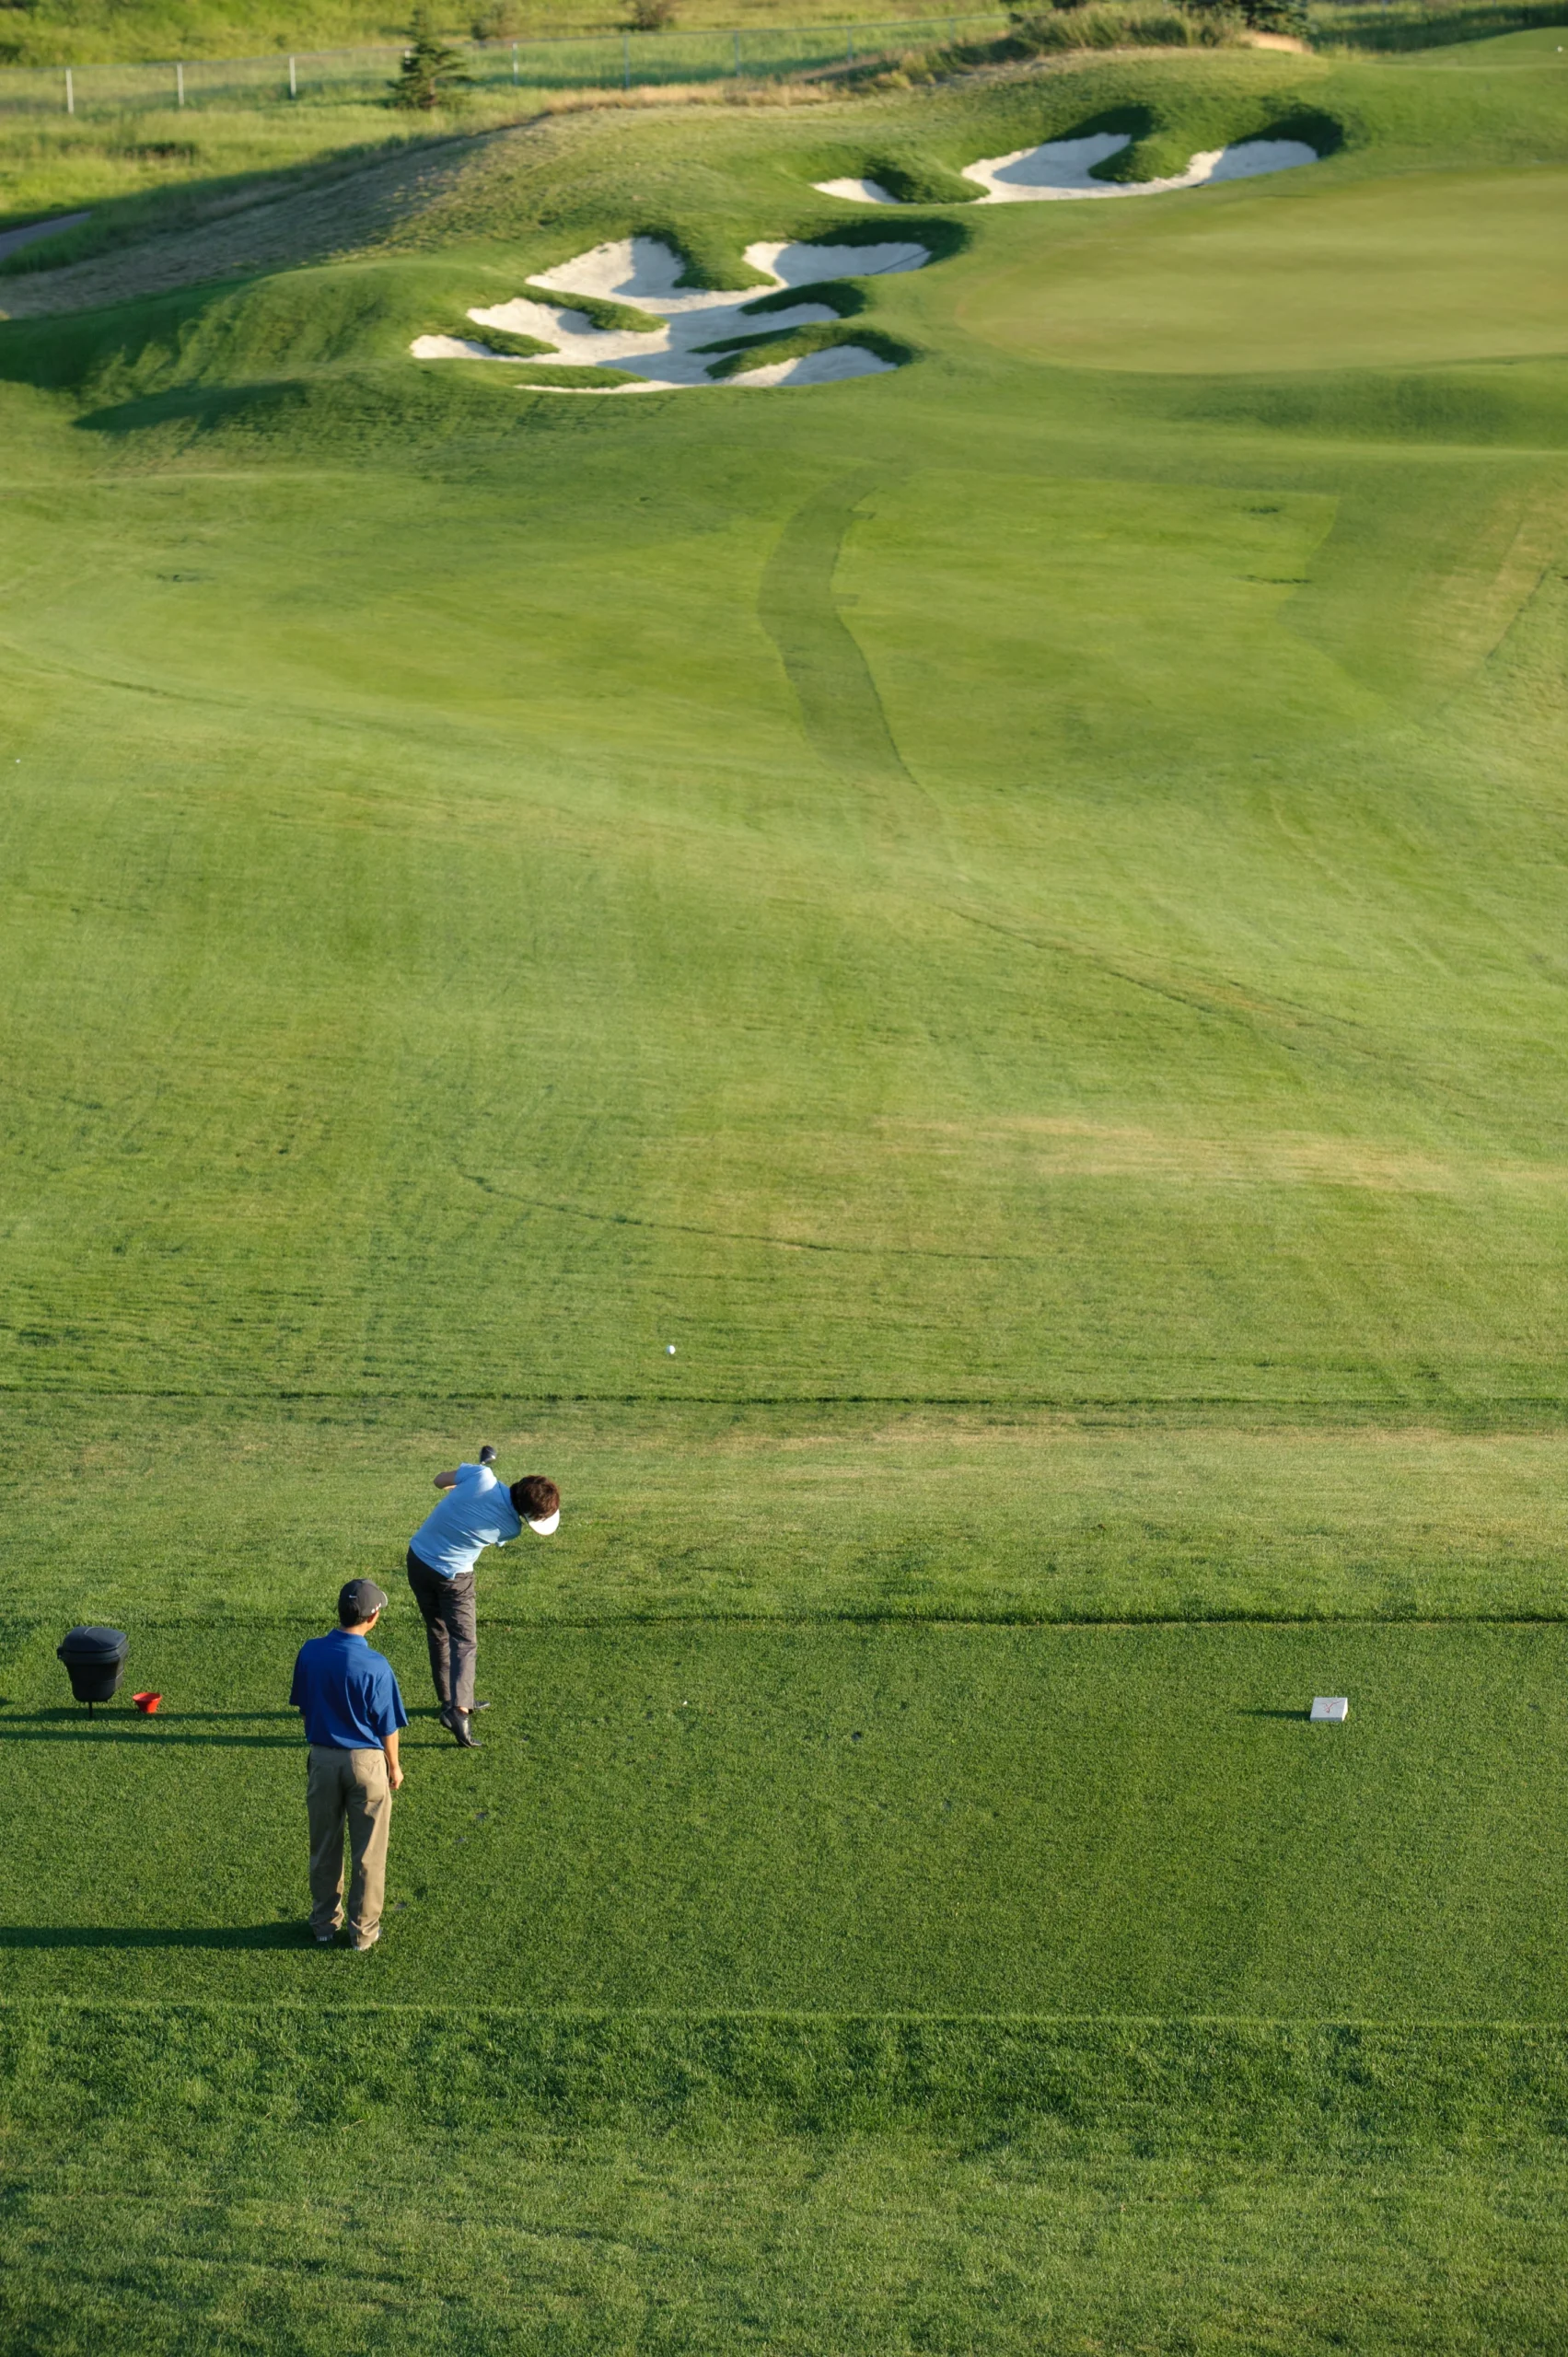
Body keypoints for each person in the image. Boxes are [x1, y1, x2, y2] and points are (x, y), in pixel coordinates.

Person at [406, 1449, 561, 1750]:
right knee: (464, 1641)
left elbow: (440, 1481)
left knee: (438, 1632)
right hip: (454, 1578)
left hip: (418, 1560)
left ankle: (451, 1700)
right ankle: (460, 1711)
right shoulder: (511, 1529)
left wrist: (466, 1481)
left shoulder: (480, 1475)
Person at [289, 1577, 408, 1952]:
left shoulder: (309, 1652)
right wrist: (394, 1766)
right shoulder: (376, 1664)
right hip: (367, 1764)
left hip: (323, 1760)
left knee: (324, 1846)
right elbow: (387, 1725)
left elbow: (305, 1703)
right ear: (372, 1617)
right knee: (369, 1853)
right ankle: (363, 1933)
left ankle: (324, 1925)